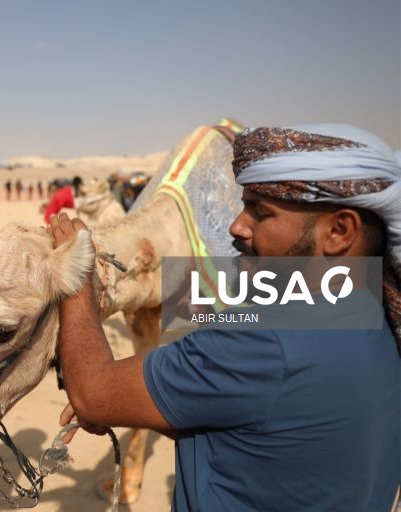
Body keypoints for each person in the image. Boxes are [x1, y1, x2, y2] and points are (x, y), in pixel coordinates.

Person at [49, 124, 400, 511]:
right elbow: (263, 431)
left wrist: (77, 275)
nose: (236, 225)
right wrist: (133, 402)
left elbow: (92, 394)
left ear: (339, 231)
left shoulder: (262, 340)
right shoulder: (376, 315)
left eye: (260, 213)